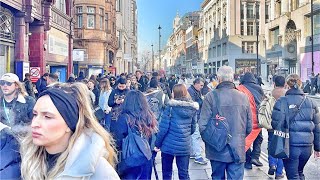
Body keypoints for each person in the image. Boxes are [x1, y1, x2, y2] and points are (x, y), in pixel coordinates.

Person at [20, 83, 119, 179]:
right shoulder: (25, 158)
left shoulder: (98, 171)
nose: (34, 124)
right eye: (35, 114)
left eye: (47, 117)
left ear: (69, 123)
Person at [199, 66, 252, 179]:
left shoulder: (210, 97)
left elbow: (202, 126)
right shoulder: (243, 97)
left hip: (216, 149)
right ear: (232, 78)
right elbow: (249, 127)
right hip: (237, 148)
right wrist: (238, 138)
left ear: (218, 78)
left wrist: (212, 141)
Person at [271, 74, 320, 180]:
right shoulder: (311, 102)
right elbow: (317, 127)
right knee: (299, 172)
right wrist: (317, 148)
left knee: (293, 175)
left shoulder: (281, 102)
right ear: (300, 84)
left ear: (286, 85)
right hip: (307, 147)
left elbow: (275, 124)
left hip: (289, 145)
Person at [111, 90, 158, 179]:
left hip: (129, 160)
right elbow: (152, 139)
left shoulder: (123, 118)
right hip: (145, 158)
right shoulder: (148, 117)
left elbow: (116, 141)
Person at [155, 84, 198, 180]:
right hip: (185, 145)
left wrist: (157, 144)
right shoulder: (192, 108)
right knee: (184, 174)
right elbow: (193, 128)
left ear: (174, 93)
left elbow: (163, 128)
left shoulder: (170, 107)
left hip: (168, 145)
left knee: (167, 173)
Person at [238, 72, 265, 169]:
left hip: (244, 118)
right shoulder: (259, 88)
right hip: (257, 119)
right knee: (259, 138)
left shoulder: (240, 88)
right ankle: (255, 156)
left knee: (246, 139)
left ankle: (248, 162)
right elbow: (263, 102)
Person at [264, 75, 286, 179]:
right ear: (284, 84)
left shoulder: (270, 93)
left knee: (272, 145)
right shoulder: (286, 94)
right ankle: (279, 172)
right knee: (281, 148)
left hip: (271, 125)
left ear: (274, 83)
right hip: (283, 127)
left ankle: (272, 164)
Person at [188, 78, 207, 165]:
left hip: (196, 116)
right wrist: (202, 101)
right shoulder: (191, 92)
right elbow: (193, 104)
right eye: (201, 85)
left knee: (193, 135)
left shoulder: (196, 91)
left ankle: (192, 153)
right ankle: (198, 156)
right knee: (196, 135)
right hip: (194, 116)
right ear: (196, 84)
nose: (202, 87)